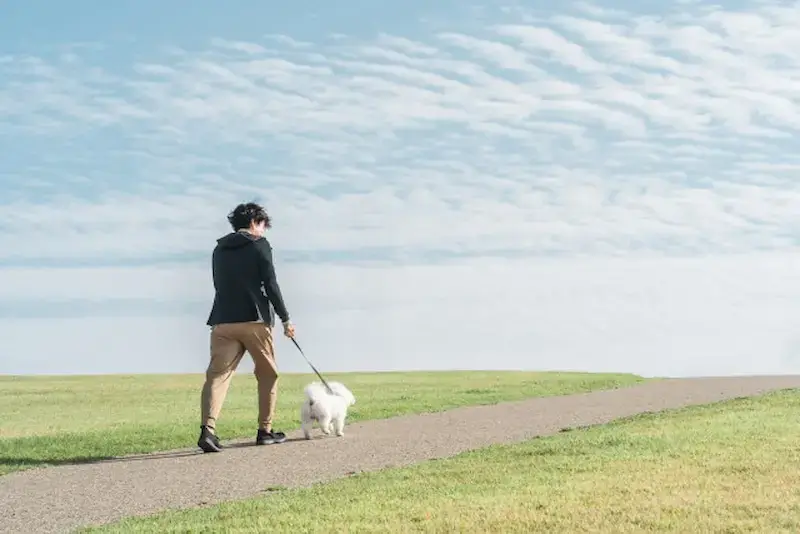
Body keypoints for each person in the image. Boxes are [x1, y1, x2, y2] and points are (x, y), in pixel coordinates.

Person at [197, 201, 296, 453]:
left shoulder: (219, 249)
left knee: (217, 376)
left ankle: (208, 430)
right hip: (254, 320)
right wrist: (285, 319)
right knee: (267, 375)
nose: (264, 230)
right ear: (254, 223)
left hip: (222, 320)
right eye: (263, 225)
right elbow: (271, 283)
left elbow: (219, 283)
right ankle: (265, 430)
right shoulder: (260, 245)